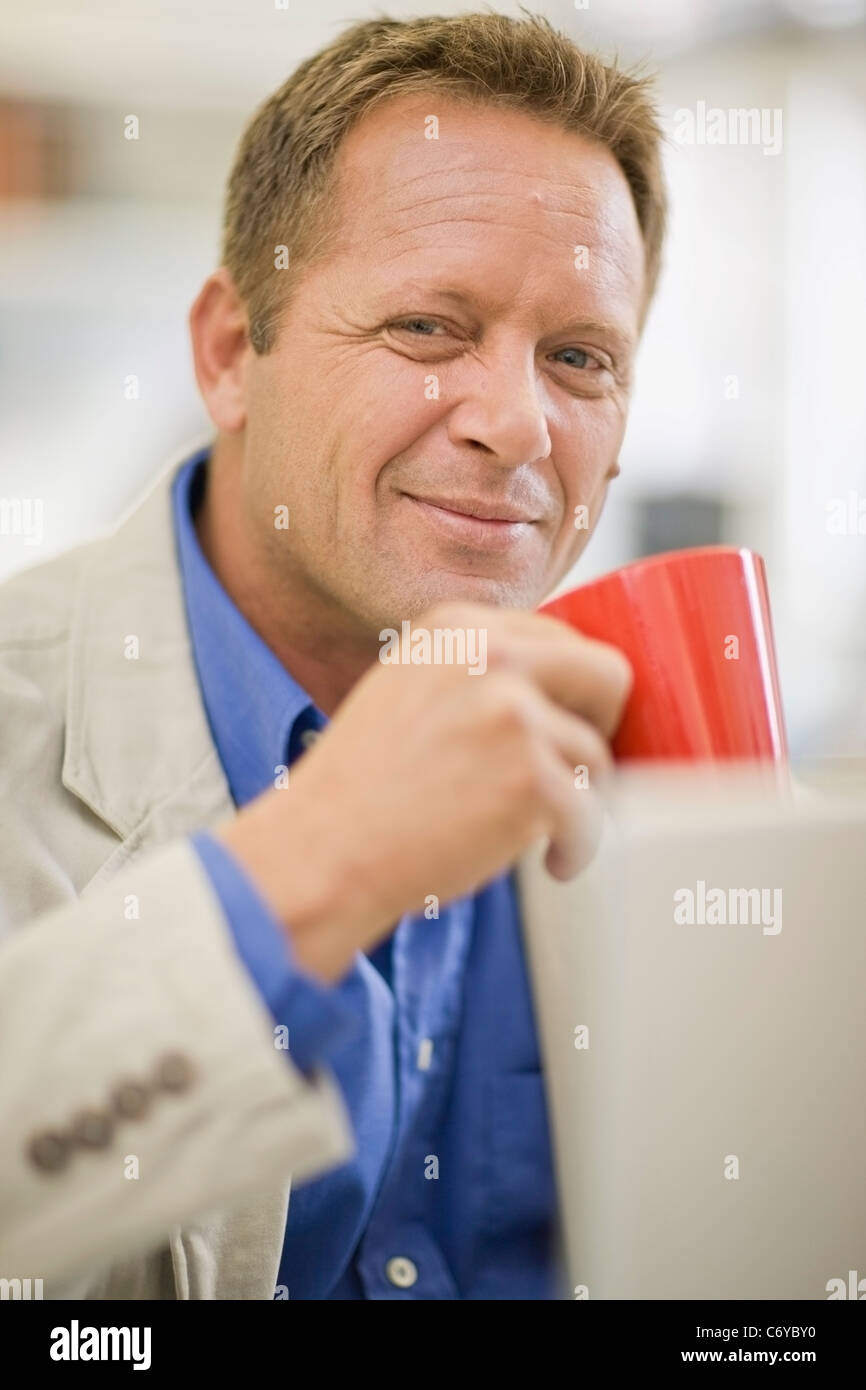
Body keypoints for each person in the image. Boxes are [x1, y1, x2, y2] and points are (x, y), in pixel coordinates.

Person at [0, 11, 665, 1299]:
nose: (519, 427)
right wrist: (312, 865)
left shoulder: (674, 770)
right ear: (231, 352)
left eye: (580, 358)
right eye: (428, 327)